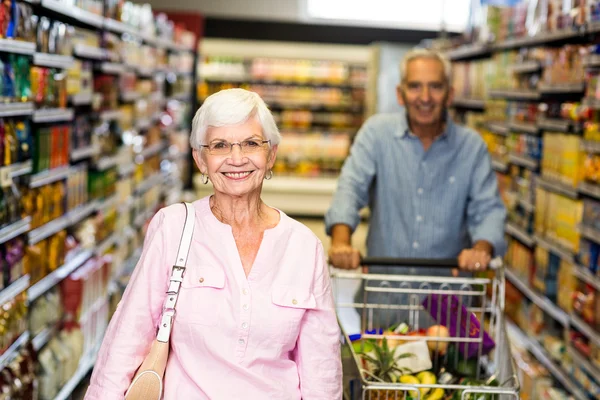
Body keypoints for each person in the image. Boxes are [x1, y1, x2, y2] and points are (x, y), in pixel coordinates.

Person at [85, 88, 342, 399]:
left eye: (250, 143)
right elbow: (128, 338)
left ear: (271, 154)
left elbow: (322, 370)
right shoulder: (174, 228)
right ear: (201, 160)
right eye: (220, 146)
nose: (236, 159)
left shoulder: (304, 247)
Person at [326, 48, 506, 282]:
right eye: (414, 86)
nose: (425, 97)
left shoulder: (472, 147)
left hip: (447, 301)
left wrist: (481, 248)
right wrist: (341, 242)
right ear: (400, 94)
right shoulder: (376, 134)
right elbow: (350, 189)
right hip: (384, 295)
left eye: (435, 86)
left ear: (449, 95)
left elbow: (488, 209)